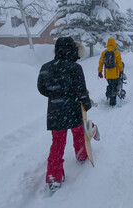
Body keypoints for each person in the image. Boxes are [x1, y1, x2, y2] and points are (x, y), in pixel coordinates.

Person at [37, 36, 92, 191]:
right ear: (72, 50)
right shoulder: (75, 68)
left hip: (55, 111)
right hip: (73, 109)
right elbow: (81, 90)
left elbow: (41, 88)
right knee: (78, 133)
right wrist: (86, 104)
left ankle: (54, 177)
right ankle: (81, 155)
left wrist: (56, 96)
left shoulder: (46, 67)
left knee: (57, 142)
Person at [98, 38, 124, 106]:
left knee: (110, 85)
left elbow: (101, 63)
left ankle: (108, 95)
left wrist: (99, 72)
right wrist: (121, 70)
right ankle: (113, 101)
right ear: (114, 43)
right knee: (115, 86)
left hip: (107, 74)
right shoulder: (116, 52)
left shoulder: (104, 52)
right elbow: (119, 63)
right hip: (115, 74)